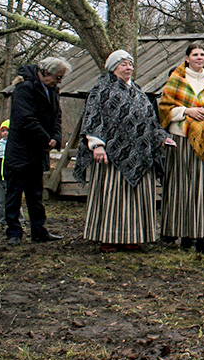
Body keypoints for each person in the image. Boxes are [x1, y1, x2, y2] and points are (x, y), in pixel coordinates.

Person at [73, 51, 176, 253]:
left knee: (135, 199)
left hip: (139, 153)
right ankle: (109, 238)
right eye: (123, 64)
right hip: (112, 154)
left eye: (130, 64)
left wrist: (161, 137)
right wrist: (97, 144)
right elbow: (93, 117)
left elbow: (149, 119)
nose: (128, 68)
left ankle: (132, 236)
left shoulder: (138, 91)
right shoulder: (101, 90)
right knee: (114, 198)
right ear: (113, 67)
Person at [158, 43, 204, 254]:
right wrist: (187, 111)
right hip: (181, 139)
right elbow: (164, 109)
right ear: (187, 58)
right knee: (181, 187)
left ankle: (201, 238)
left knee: (203, 189)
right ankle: (180, 235)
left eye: (202, 54)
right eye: (195, 54)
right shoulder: (176, 80)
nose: (199, 57)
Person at [4, 57, 71, 245]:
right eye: (57, 77)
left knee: (36, 194)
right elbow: (25, 119)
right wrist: (45, 138)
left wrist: (56, 138)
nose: (59, 81)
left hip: (38, 151)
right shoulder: (24, 89)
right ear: (44, 73)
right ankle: (14, 232)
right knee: (14, 194)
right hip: (20, 151)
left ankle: (39, 231)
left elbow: (57, 117)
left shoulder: (52, 91)